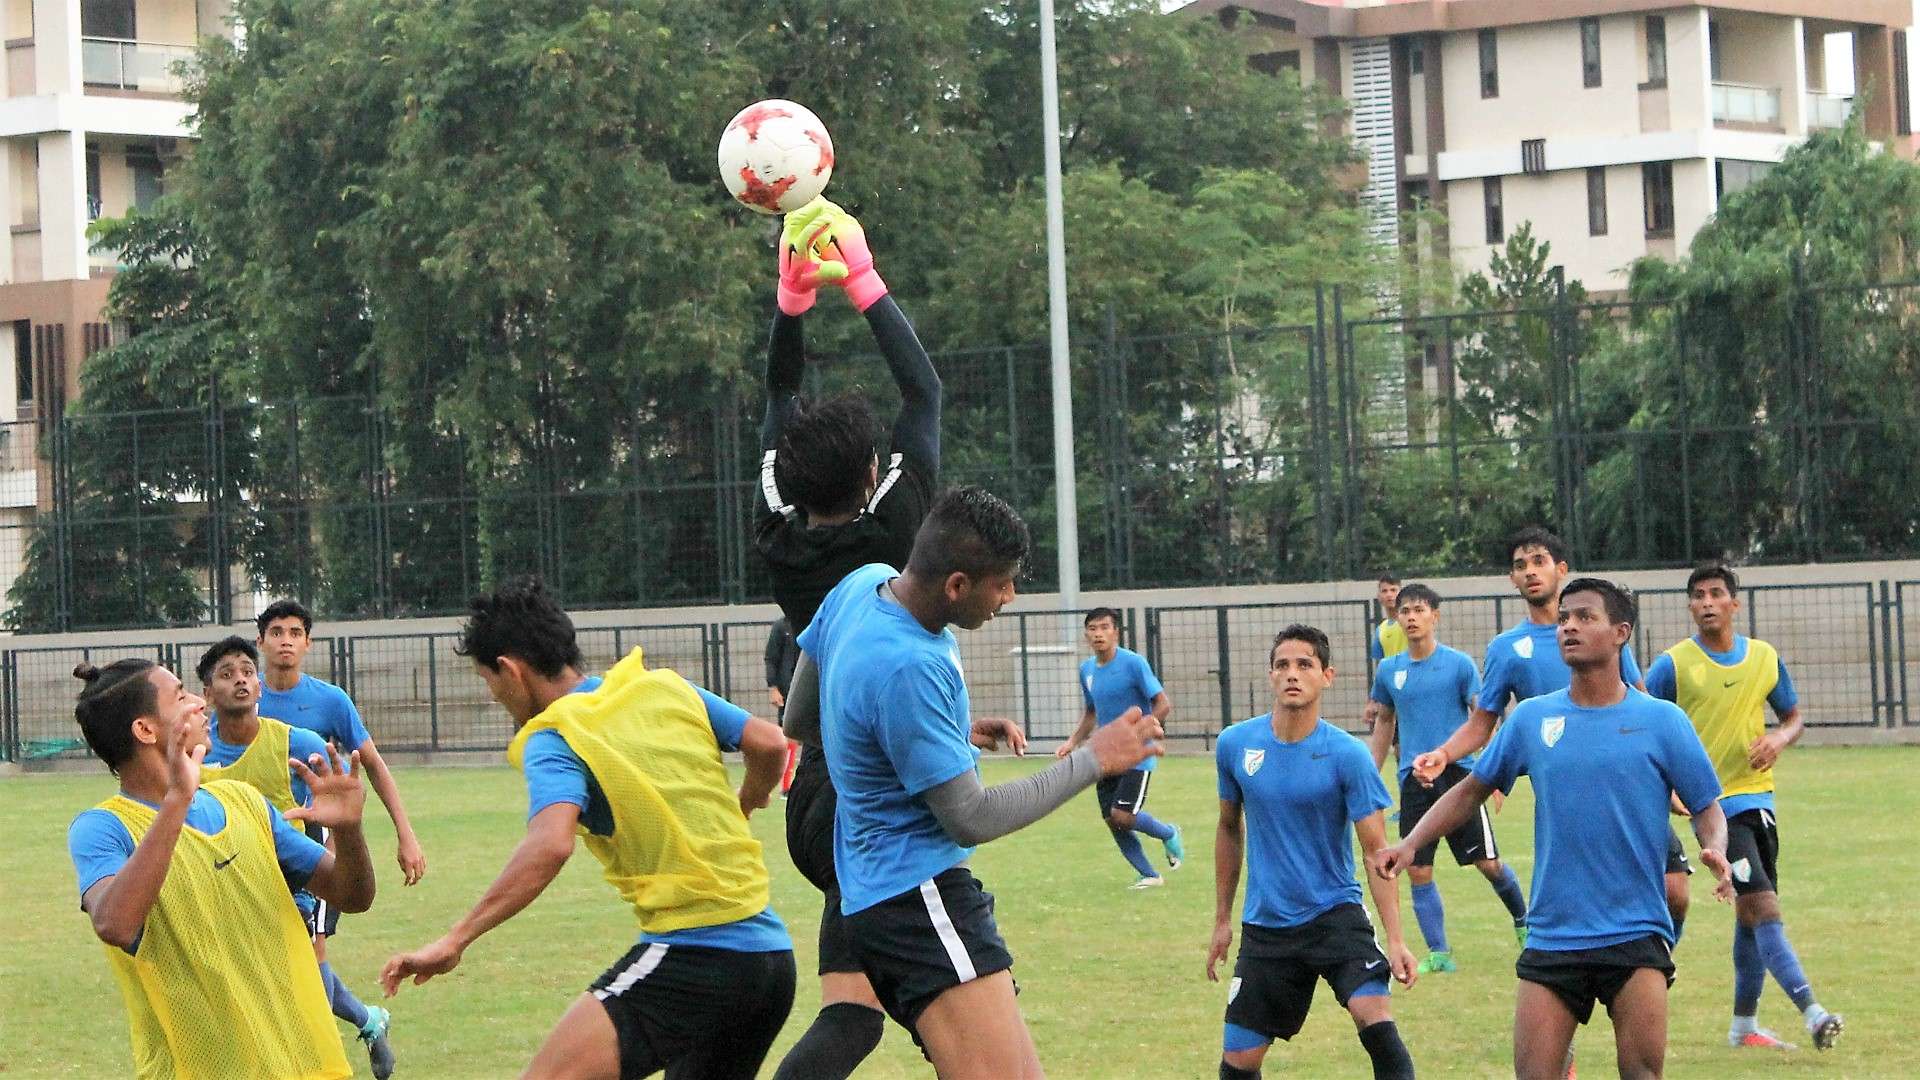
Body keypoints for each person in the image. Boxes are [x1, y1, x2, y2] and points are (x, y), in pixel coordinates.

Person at [797, 486, 1162, 1078]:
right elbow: (972, 816)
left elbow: (802, 718)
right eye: (1002, 584)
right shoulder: (912, 664)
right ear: (957, 585)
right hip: (918, 899)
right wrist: (1093, 758)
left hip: (871, 898)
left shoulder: (860, 586)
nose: (1009, 597)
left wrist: (939, 736)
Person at [380, 579, 796, 1080]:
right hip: (771, 961)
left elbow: (550, 844)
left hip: (698, 956)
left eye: (488, 680)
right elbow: (770, 742)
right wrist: (749, 798)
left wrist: (455, 939)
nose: (494, 696)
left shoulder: (555, 735)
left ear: (510, 670)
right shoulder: (662, 686)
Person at [1372, 578, 1735, 1080]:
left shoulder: (1663, 721)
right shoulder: (1532, 719)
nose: (1568, 627)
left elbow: (1707, 808)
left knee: (1642, 1074)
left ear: (1621, 632)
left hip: (1636, 931)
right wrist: (1412, 842)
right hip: (1553, 935)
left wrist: (1715, 847)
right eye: (1565, 618)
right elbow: (1471, 790)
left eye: (1585, 617)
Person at [755, 197, 942, 1080]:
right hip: (885, 794)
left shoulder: (778, 536)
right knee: (961, 999)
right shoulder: (898, 535)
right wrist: (862, 280)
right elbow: (923, 392)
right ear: (873, 473)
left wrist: (791, 302)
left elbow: (777, 396)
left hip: (815, 800)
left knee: (864, 1014)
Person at [65, 658, 375, 1080]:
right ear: (145, 730)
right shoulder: (103, 828)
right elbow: (115, 924)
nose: (199, 702)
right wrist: (177, 799)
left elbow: (353, 895)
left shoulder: (242, 801)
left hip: (302, 1065)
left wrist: (349, 831)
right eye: (180, 696)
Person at [1411, 527, 1693, 936]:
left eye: (1539, 561)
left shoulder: (1602, 634)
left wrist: (1668, 776)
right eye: (1520, 565)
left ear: (1561, 569)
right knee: (1582, 897)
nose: (1530, 571)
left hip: (1625, 778)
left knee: (1675, 891)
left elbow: (1642, 700)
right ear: (1512, 578)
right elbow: (1482, 722)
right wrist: (1444, 754)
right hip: (1565, 789)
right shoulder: (1507, 648)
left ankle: (1655, 958)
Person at [1644, 565, 1842, 1052]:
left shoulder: (1763, 658)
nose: (1707, 602)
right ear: (1690, 606)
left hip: (1760, 804)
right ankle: (1814, 1014)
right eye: (1698, 595)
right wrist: (1667, 789)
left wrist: (1779, 738)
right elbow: (1642, 721)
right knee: (1762, 906)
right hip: (1715, 811)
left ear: (1734, 603)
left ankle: (1743, 1026)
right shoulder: (1673, 665)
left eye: (1716, 593)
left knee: (1751, 918)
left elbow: (1794, 717)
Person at [1208, 624, 1418, 1080]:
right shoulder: (1235, 744)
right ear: (1270, 675)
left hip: (1335, 915)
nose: (1292, 674)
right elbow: (1228, 829)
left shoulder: (1348, 755)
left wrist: (1396, 939)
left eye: (1305, 664)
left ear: (1327, 676)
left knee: (1376, 1021)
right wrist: (1222, 919)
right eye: (1282, 665)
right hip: (1267, 926)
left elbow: (1377, 854)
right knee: (1238, 1063)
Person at [196, 636, 396, 1077]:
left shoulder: (298, 743)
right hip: (228, 888)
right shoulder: (198, 752)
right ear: (208, 693)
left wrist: (342, 845)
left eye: (247, 672)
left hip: (299, 880)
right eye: (227, 675)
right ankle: (367, 1019)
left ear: (259, 686)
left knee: (305, 980)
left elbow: (341, 798)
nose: (240, 680)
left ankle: (325, 1056)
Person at [256, 597, 428, 1022]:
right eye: (276, 632)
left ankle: (328, 1039)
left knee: (312, 948)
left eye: (295, 633)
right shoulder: (245, 699)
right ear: (260, 642)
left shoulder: (330, 701)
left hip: (314, 842)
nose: (285, 641)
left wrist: (406, 835)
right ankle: (367, 1021)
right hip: (255, 838)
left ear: (308, 643)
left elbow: (374, 766)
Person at [1365, 584, 1529, 970]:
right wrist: (1370, 773)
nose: (1411, 617)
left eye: (1419, 610)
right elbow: (1385, 721)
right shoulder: (1389, 670)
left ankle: (1525, 922)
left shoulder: (1458, 665)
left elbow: (1482, 716)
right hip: (1413, 779)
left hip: (1459, 777)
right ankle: (1439, 954)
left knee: (1488, 864)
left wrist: (1493, 768)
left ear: (1434, 616)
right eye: (1405, 611)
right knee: (1417, 868)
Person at [1055, 606, 1184, 887]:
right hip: (1106, 755)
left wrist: (1142, 731)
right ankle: (1149, 875)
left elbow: (1163, 703)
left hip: (1136, 755)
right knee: (1111, 819)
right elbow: (1091, 712)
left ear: (1116, 632)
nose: (1098, 634)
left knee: (1122, 815)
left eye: (1104, 627)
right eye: (1092, 629)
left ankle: (1168, 833)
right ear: (1086, 635)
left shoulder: (1134, 663)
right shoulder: (1086, 670)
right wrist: (1072, 742)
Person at [765, 615, 802, 795]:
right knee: (789, 735)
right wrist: (773, 687)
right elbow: (771, 658)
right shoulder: (781, 626)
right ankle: (786, 785)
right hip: (788, 690)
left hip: (810, 687)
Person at [1369, 574, 1407, 662]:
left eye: (1393, 590)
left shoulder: (1412, 621)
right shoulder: (1380, 630)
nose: (1389, 594)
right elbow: (1380, 663)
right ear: (1379, 596)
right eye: (1384, 591)